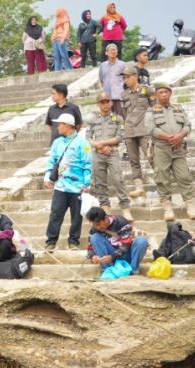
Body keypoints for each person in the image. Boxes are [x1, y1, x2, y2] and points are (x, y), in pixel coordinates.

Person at [146, 82, 195, 221]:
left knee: (184, 176)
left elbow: (187, 125)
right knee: (162, 178)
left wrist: (180, 136)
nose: (163, 95)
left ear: (170, 93)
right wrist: (170, 137)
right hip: (161, 148)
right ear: (156, 95)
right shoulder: (151, 111)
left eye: (166, 92)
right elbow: (151, 129)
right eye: (160, 92)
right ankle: (167, 208)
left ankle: (190, 206)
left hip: (179, 147)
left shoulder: (178, 108)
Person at [44, 113, 93, 251]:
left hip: (77, 187)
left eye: (60, 124)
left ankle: (73, 241)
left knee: (76, 216)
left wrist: (87, 184)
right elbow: (52, 161)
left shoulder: (84, 143)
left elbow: (87, 165)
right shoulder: (57, 142)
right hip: (60, 186)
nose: (57, 127)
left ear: (67, 125)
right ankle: (51, 241)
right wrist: (48, 177)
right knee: (55, 214)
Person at [87, 92, 132, 220]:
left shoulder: (118, 119)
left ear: (111, 102)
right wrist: (100, 146)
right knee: (100, 181)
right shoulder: (92, 120)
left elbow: (120, 136)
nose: (105, 104)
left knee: (118, 179)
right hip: (98, 154)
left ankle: (125, 207)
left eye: (107, 101)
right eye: (102, 102)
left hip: (112, 153)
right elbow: (88, 138)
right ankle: (105, 207)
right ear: (98, 104)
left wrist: (103, 143)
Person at [121, 65, 155, 199]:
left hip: (144, 129)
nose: (126, 80)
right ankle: (139, 186)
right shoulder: (124, 95)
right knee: (134, 161)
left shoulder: (147, 90)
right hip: (130, 130)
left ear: (135, 76)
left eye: (128, 77)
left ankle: (162, 181)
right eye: (124, 78)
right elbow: (125, 113)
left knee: (151, 156)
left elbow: (155, 108)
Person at [85, 207, 148, 276]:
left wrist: (112, 256)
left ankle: (133, 271)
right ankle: (108, 270)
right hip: (110, 259)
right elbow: (90, 248)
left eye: (98, 224)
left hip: (127, 255)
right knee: (95, 237)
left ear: (105, 219)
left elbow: (126, 245)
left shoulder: (120, 222)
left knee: (142, 241)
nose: (97, 227)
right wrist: (93, 256)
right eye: (95, 225)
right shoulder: (95, 229)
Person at [98, 44, 126, 116]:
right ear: (106, 53)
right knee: (109, 118)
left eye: (115, 49)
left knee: (121, 118)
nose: (113, 51)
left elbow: (125, 79)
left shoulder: (122, 65)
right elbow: (102, 80)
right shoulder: (102, 65)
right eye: (111, 50)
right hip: (107, 98)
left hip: (119, 96)